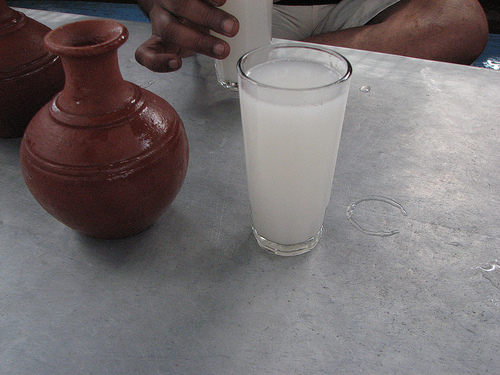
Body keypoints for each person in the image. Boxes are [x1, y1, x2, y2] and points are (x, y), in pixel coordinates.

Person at [135, 0, 489, 73]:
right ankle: (267, 62)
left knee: (461, 21)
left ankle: (265, 63)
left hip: (364, 8)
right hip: (247, 10)